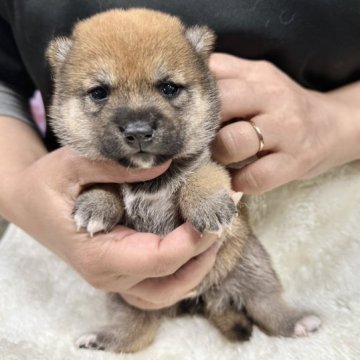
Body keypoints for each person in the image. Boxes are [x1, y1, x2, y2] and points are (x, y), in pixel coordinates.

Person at [0, 1, 359, 310]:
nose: (138, 127)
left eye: (169, 88)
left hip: (331, 226)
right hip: (66, 253)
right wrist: (13, 185)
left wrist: (340, 120)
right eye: (98, 93)